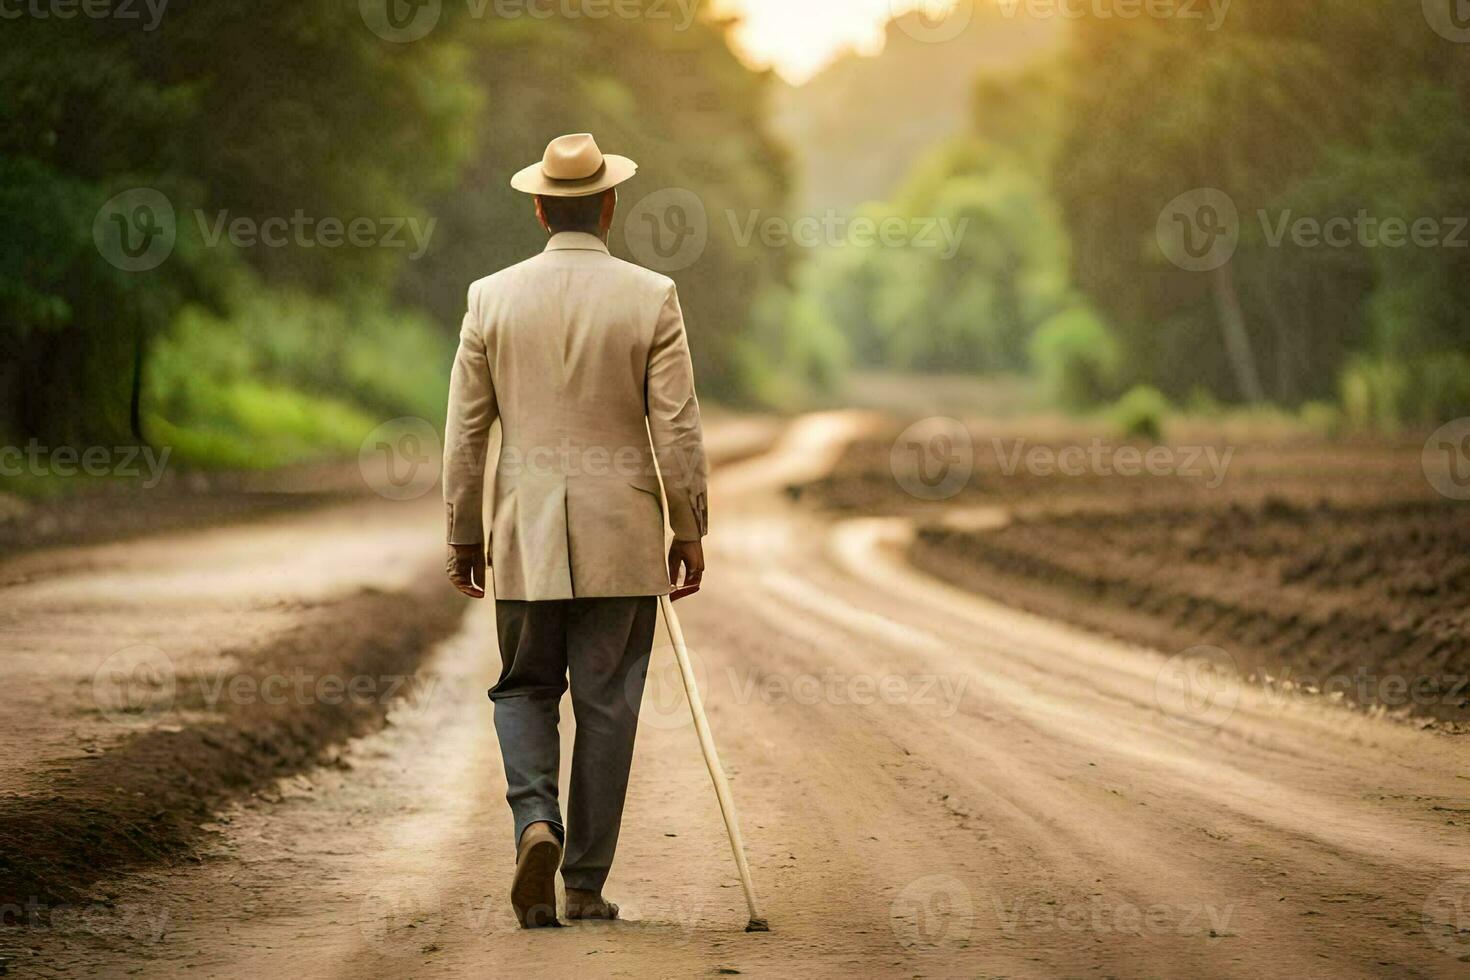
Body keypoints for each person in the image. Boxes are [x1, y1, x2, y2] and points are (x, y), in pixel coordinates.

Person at [441, 133, 709, 928]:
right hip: (622, 537)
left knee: (524, 687)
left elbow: (465, 432)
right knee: (609, 706)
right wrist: (688, 526)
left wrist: (464, 531)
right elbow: (678, 428)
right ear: (611, 204)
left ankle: (535, 823)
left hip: (523, 533)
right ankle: (584, 884)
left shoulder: (488, 297)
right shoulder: (652, 294)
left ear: (537, 209)